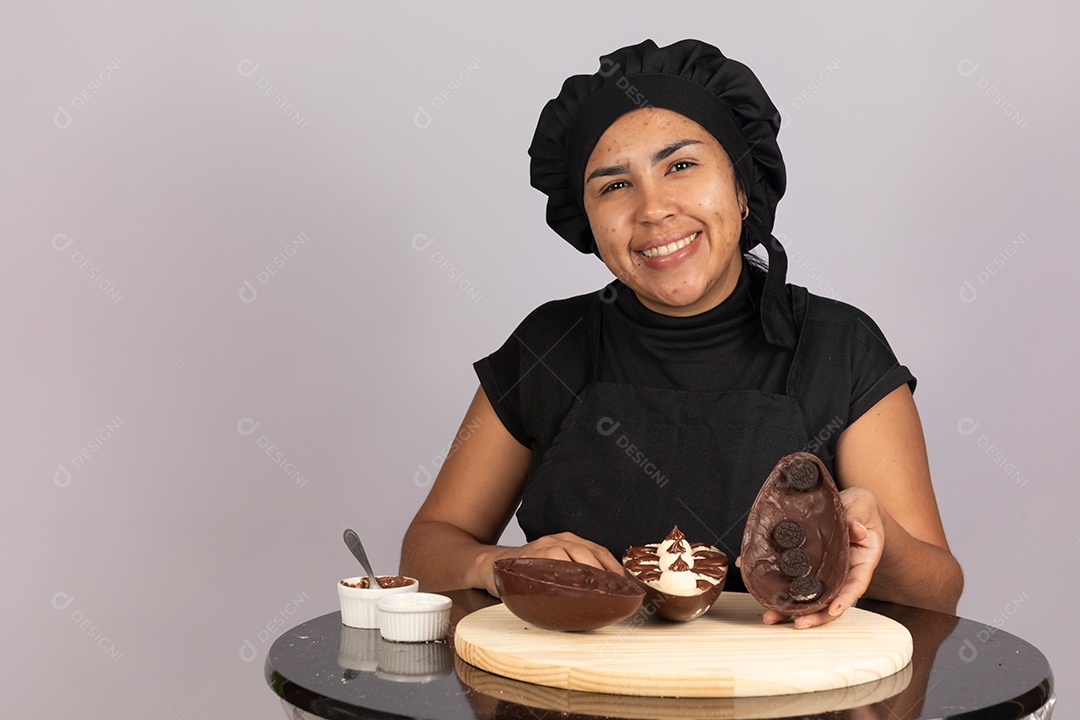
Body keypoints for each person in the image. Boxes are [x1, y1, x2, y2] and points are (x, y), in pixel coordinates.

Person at [400, 39, 963, 628]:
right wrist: (498, 563)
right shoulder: (548, 346)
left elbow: (938, 593)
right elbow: (429, 546)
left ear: (743, 187)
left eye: (682, 166)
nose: (653, 209)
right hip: (574, 697)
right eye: (614, 185)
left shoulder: (838, 348)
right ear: (586, 220)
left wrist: (878, 539)